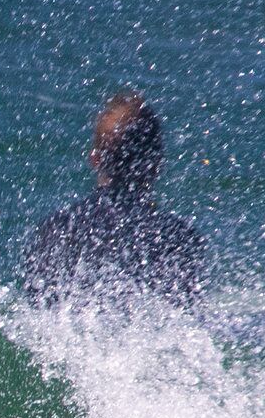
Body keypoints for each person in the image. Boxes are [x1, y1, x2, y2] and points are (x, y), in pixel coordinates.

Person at [18, 90, 204, 305]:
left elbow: (37, 307)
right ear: (157, 163)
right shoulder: (180, 238)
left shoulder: (55, 230)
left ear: (95, 159)